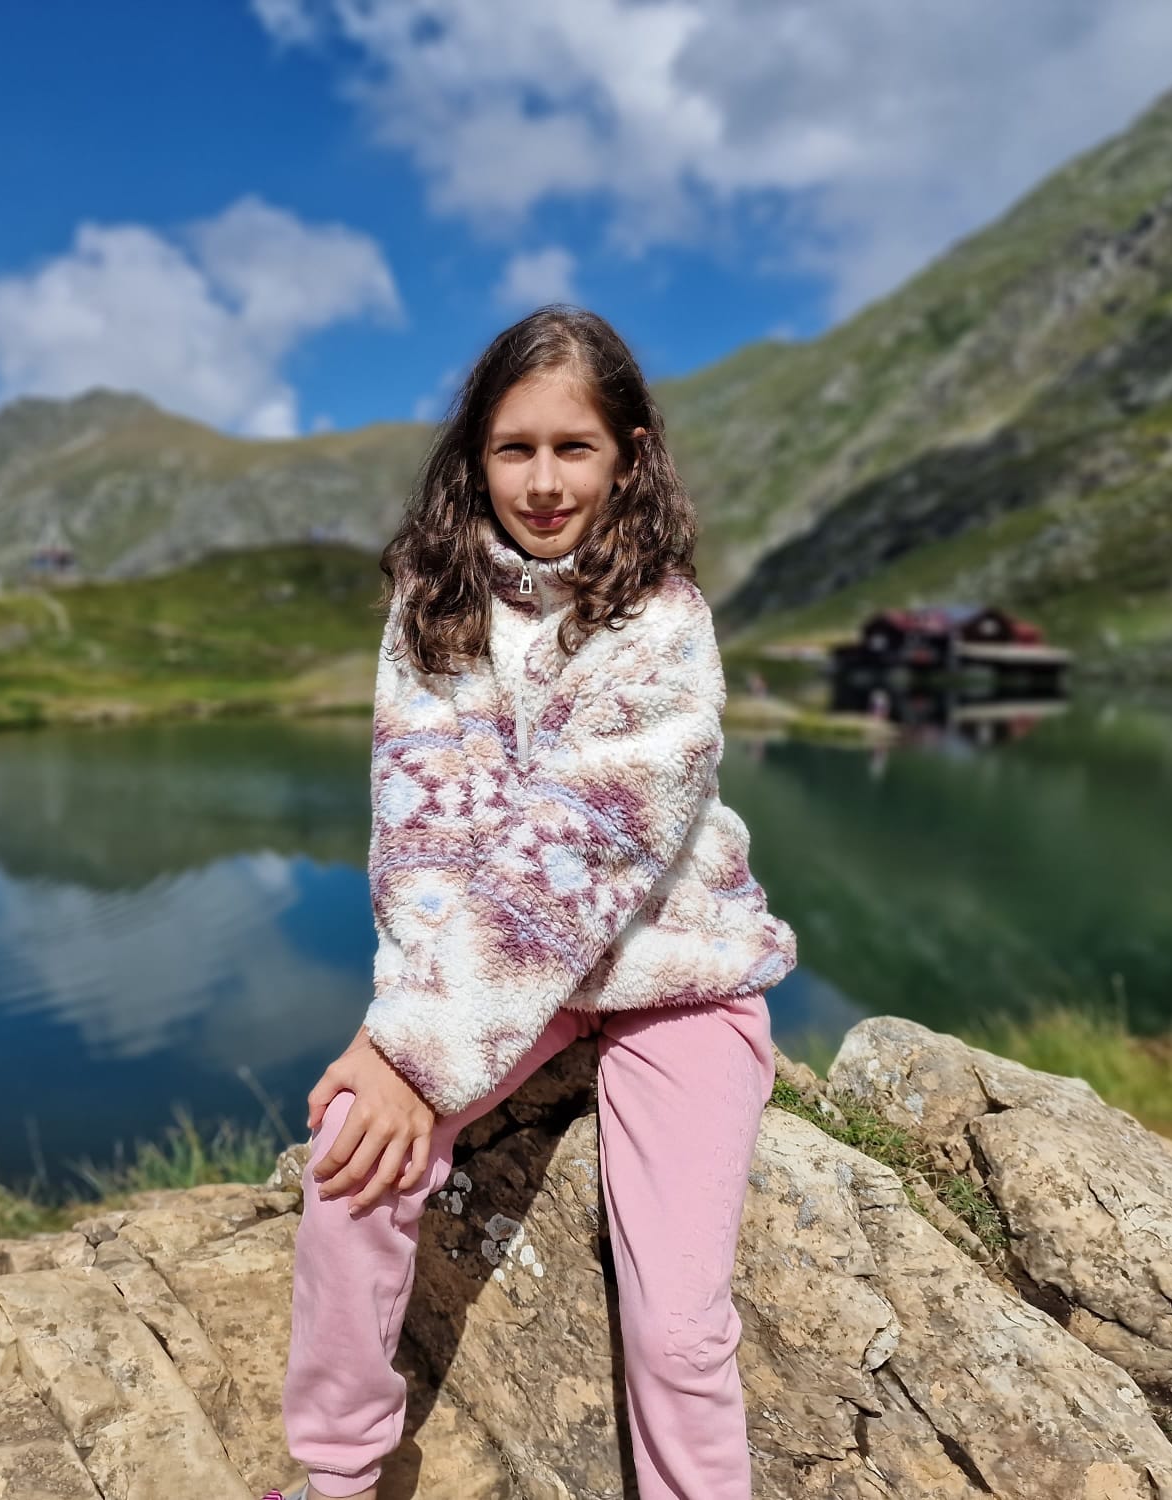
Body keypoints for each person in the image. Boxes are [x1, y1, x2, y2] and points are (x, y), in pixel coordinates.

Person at [268, 306, 799, 1500]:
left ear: (628, 455)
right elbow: (421, 834)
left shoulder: (665, 620)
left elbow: (588, 843)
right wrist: (398, 1044)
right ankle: (337, 1475)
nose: (544, 482)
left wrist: (417, 1049)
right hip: (505, 974)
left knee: (677, 1328)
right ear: (475, 454)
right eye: (514, 448)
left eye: (574, 448)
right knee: (351, 1154)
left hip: (675, 972)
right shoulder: (435, 605)